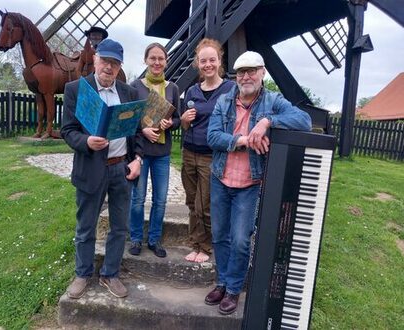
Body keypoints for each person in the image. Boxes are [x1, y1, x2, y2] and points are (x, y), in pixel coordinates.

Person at [205, 51, 312, 315]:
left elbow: (305, 121)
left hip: (250, 183)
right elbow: (212, 137)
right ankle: (221, 282)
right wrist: (244, 140)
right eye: (241, 72)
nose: (246, 76)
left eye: (252, 70)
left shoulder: (273, 101)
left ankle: (232, 289)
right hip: (220, 178)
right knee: (220, 235)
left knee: (241, 239)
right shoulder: (224, 101)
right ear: (236, 76)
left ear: (263, 72)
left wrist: (267, 122)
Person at [61, 38, 143, 300]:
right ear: (95, 60)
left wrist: (137, 158)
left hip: (121, 169)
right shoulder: (77, 89)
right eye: (105, 61)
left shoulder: (128, 92)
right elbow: (68, 131)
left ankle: (110, 273)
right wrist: (86, 141)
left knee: (120, 227)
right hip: (91, 168)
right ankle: (83, 273)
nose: (109, 67)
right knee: (86, 227)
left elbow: (137, 131)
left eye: (115, 63)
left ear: (120, 67)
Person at [180, 38, 235, 263]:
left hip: (210, 156)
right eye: (203, 61)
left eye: (212, 60)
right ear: (198, 64)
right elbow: (184, 125)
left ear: (219, 61)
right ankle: (195, 244)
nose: (208, 64)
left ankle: (206, 247)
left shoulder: (230, 89)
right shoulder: (192, 91)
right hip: (188, 152)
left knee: (206, 205)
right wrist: (183, 119)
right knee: (192, 202)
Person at [128, 43, 181, 258]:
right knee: (138, 199)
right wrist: (143, 128)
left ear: (166, 60)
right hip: (140, 152)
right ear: (146, 60)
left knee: (161, 200)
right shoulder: (134, 87)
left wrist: (171, 124)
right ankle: (136, 238)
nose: (157, 62)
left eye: (161, 58)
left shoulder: (173, 88)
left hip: (162, 154)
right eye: (153, 58)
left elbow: (178, 118)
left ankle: (154, 239)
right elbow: (128, 118)